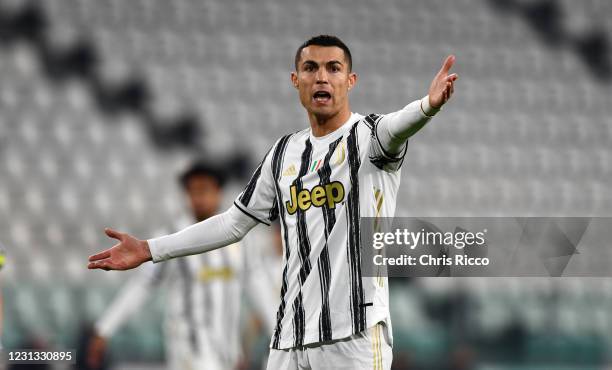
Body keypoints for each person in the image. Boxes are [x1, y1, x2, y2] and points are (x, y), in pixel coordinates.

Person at [88, 34, 457, 370]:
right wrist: (150, 249)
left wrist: (427, 106)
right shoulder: (283, 154)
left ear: (351, 80)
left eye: (334, 68)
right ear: (296, 80)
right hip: (289, 340)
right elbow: (233, 223)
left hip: (354, 334)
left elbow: (397, 127)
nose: (322, 77)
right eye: (310, 68)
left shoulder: (368, 139)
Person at [87, 162, 279, 370]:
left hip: (227, 350)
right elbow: (141, 286)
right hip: (188, 349)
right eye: (193, 191)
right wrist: (104, 329)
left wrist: (277, 333)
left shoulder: (243, 242)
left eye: (204, 190)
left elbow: (258, 289)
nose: (198, 198)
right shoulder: (170, 237)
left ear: (218, 192)